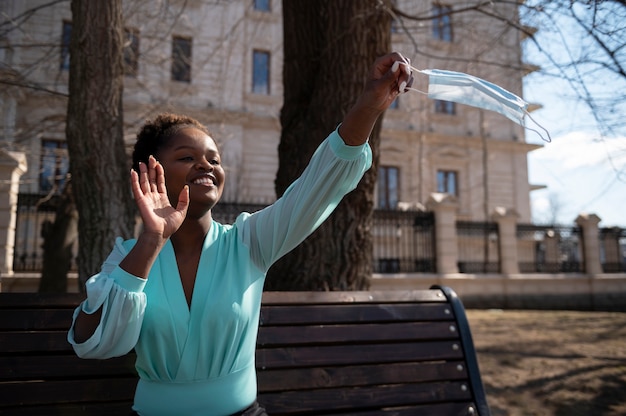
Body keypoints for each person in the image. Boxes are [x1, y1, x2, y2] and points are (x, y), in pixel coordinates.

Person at [67, 52, 414, 416]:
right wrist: (151, 240)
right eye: (187, 157)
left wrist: (369, 106)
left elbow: (317, 188)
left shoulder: (248, 242)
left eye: (214, 159)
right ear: (149, 174)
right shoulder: (127, 257)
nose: (206, 165)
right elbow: (95, 343)